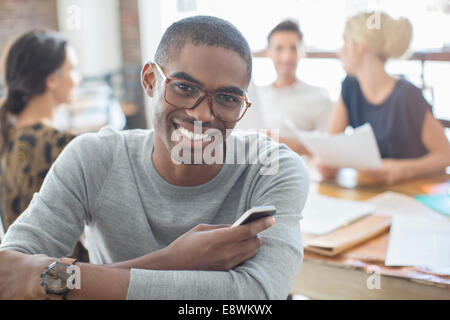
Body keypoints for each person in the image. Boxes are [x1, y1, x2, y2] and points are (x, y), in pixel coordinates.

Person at [0, 16, 309, 300]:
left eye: (228, 98)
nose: (202, 114)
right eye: (184, 88)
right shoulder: (93, 157)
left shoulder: (271, 167)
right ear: (150, 80)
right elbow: (8, 273)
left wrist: (54, 281)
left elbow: (255, 298)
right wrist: (173, 261)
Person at [318, 12, 450, 185]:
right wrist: (329, 163)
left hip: (413, 192)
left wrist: (402, 169)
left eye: (345, 42)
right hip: (373, 191)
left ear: (360, 46)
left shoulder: (407, 96)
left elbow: (446, 155)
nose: (339, 51)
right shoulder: (350, 88)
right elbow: (331, 145)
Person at [0, 30, 89, 261]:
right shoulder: (67, 145)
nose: (77, 78)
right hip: (67, 281)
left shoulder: (7, 136)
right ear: (52, 79)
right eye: (73, 69)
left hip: (25, 278)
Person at [258, 20, 333, 154]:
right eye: (279, 48)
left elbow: (329, 152)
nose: (286, 57)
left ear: (302, 51)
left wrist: (272, 141)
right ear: (267, 52)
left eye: (293, 48)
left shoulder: (319, 98)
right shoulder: (254, 97)